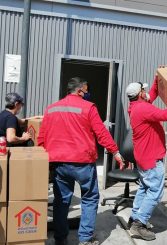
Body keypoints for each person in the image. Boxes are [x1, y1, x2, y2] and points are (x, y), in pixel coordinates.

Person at [38, 77, 125, 245]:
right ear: (79, 91)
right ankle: (85, 239)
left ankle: (60, 239)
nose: (88, 93)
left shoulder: (51, 109)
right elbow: (101, 133)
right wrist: (115, 152)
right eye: (86, 90)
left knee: (61, 201)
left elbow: (42, 137)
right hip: (82, 162)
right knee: (90, 198)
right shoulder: (88, 107)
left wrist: (43, 160)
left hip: (59, 163)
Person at [126, 75, 167, 241]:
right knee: (155, 192)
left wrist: (158, 80)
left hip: (143, 157)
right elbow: (165, 115)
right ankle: (139, 224)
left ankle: (134, 217)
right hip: (151, 158)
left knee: (144, 188)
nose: (147, 92)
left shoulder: (135, 106)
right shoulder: (143, 109)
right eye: (144, 90)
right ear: (140, 94)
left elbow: (151, 96)